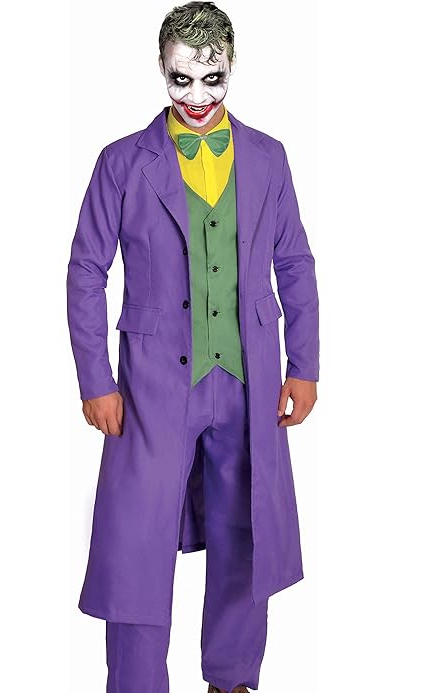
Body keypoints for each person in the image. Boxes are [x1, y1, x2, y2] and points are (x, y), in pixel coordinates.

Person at [67, 2, 319, 691]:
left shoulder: (268, 156)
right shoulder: (122, 162)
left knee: (246, 528)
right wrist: (96, 379)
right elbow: (87, 269)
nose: (199, 96)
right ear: (161, 69)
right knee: (137, 541)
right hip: (150, 386)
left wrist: (304, 364)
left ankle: (232, 677)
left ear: (233, 67)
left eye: (214, 77)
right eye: (182, 79)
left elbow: (294, 262)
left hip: (248, 377)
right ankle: (137, 683)